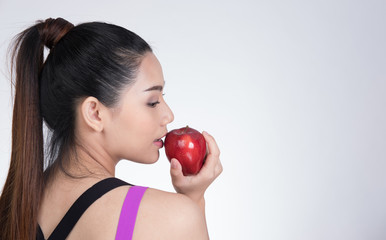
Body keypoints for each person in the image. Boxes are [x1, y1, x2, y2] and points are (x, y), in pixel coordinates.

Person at [0, 17, 222, 240]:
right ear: (95, 113)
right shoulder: (173, 218)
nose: (169, 115)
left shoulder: (12, 208)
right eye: (153, 101)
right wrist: (193, 203)